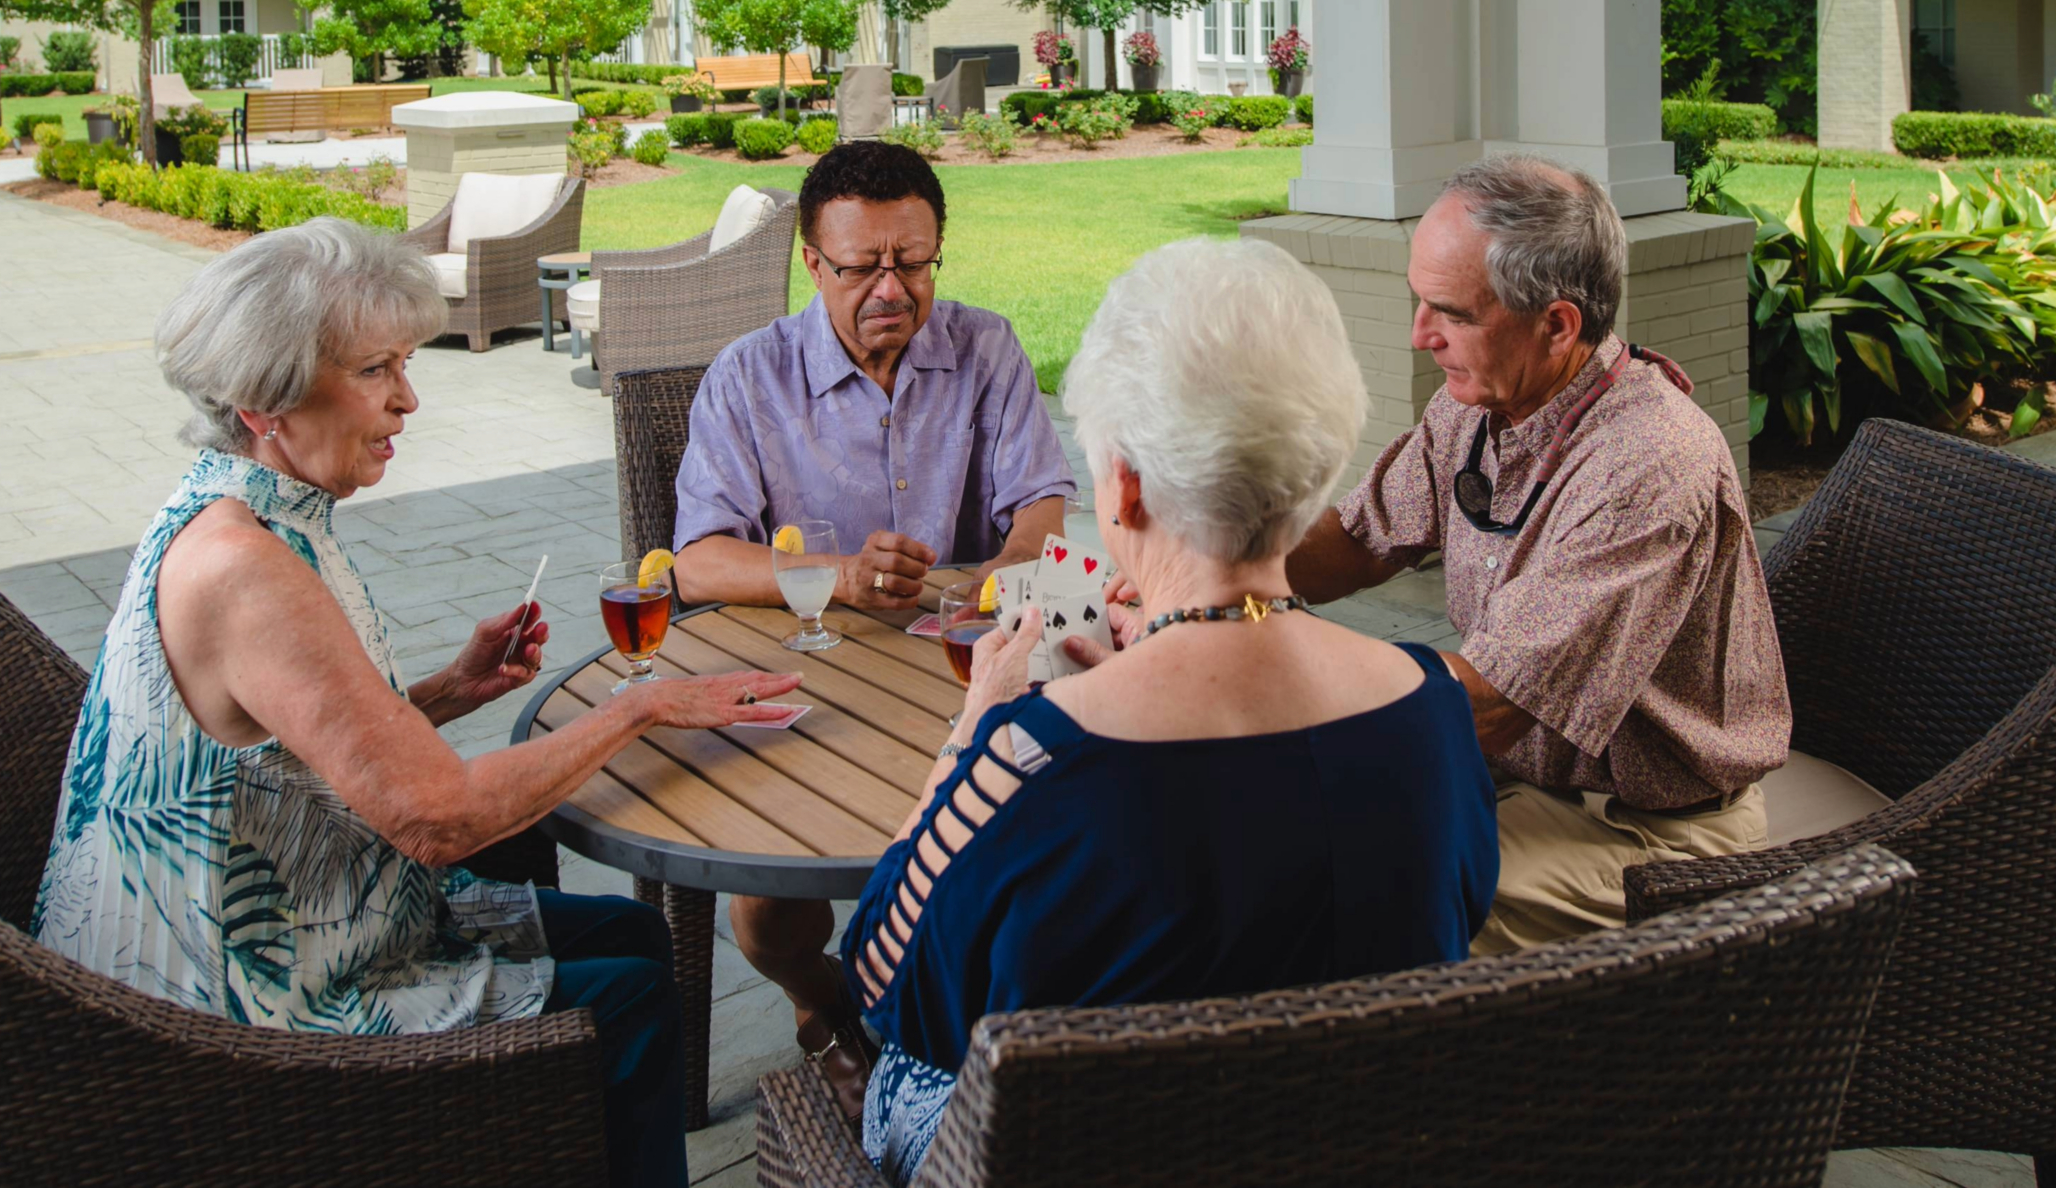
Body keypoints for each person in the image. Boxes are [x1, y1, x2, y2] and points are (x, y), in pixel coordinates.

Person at [33, 219, 800, 1188]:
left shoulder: (250, 511)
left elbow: (298, 744)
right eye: (374, 372)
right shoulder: (243, 570)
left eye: (404, 363)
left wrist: (443, 692)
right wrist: (642, 710)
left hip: (297, 919)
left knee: (637, 935)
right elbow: (439, 821)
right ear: (263, 401)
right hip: (229, 1019)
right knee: (634, 1002)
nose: (408, 399)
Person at [842, 237, 1498, 1184]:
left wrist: (974, 721)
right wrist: (1169, 643)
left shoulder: (1032, 757)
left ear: (1131, 485)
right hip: (1359, 1145)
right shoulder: (1430, 705)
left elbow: (876, 971)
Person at [1288, 154, 1792, 956]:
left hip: (1651, 831)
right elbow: (1354, 539)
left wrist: (1257, 678)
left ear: (1556, 324)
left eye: (1448, 312)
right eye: (1420, 302)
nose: (1421, 336)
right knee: (1286, 843)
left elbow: (1483, 705)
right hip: (1529, 776)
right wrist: (1212, 559)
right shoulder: (1475, 410)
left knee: (1367, 903)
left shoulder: (1648, 462)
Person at [670, 140, 1076, 1111]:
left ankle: (963, 1039)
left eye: (915, 261)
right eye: (862, 267)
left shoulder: (987, 347)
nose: (892, 288)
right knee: (768, 918)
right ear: (813, 264)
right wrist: (841, 577)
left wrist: (989, 580)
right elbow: (697, 560)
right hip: (811, 691)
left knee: (1048, 843)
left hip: (959, 672)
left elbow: (1043, 510)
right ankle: (827, 1008)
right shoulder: (748, 376)